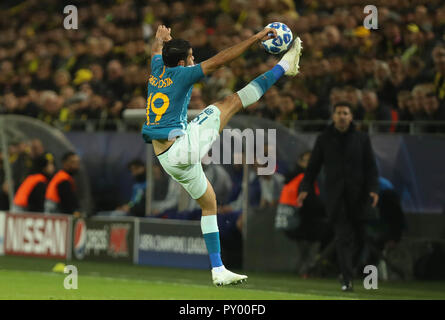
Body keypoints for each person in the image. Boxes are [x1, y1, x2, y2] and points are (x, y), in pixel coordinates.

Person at [142, 25, 302, 286]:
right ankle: (286, 65)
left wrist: (160, 40)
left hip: (168, 159)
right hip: (181, 149)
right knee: (230, 102)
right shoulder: (183, 74)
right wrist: (255, 38)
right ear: (181, 62)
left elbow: (155, 51)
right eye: (192, 57)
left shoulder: (157, 69)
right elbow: (222, 59)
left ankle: (218, 268)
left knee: (209, 205)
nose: (195, 60)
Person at [297, 102, 379, 292]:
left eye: (346, 113)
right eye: (339, 113)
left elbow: (371, 167)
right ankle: (347, 278)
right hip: (336, 197)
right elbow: (313, 167)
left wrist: (373, 189)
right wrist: (305, 187)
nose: (342, 116)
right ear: (333, 116)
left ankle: (349, 271)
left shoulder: (361, 139)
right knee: (343, 238)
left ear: (351, 117)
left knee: (360, 239)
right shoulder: (324, 139)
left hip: (359, 197)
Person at [44, 152, 81, 216]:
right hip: (55, 214)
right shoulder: (63, 179)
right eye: (73, 162)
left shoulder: (63, 177)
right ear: (65, 163)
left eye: (77, 162)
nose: (76, 165)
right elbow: (67, 203)